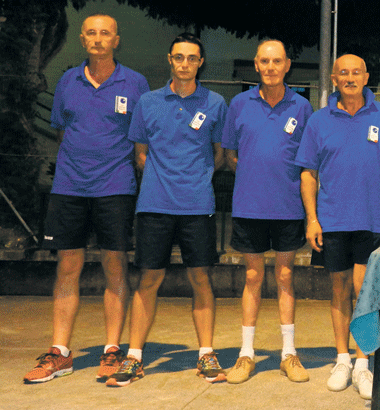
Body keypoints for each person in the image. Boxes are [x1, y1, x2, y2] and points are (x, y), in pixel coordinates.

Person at [24, 13, 149, 384]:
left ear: (116, 39)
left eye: (105, 33)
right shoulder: (67, 80)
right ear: (82, 39)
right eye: (91, 33)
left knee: (115, 267)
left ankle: (112, 350)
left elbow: (141, 139)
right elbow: (63, 133)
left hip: (116, 188)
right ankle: (60, 352)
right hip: (69, 188)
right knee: (67, 268)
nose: (98, 39)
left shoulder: (136, 83)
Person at [106, 32, 228, 387]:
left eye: (192, 57)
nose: (185, 63)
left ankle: (206, 354)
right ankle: (134, 357)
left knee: (201, 279)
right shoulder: (147, 102)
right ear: (170, 60)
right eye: (179, 57)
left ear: (200, 62)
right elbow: (140, 154)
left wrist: (198, 177)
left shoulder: (216, 103)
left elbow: (220, 153)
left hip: (198, 205)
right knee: (148, 280)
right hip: (154, 205)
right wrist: (165, 180)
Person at [294, 54, 380, 400]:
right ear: (334, 78)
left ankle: (363, 363)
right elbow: (308, 173)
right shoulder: (318, 120)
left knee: (365, 292)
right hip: (333, 220)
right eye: (343, 72)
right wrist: (312, 218)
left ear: (366, 76)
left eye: (356, 72)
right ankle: (342, 358)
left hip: (372, 219)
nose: (350, 77)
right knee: (339, 290)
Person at [221, 40, 314, 384]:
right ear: (256, 65)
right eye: (264, 61)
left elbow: (307, 162)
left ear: (287, 65)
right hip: (249, 207)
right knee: (252, 277)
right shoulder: (239, 104)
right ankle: (246, 355)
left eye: (277, 61)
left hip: (288, 207)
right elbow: (231, 156)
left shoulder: (302, 107)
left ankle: (288, 354)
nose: (271, 67)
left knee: (286, 276)